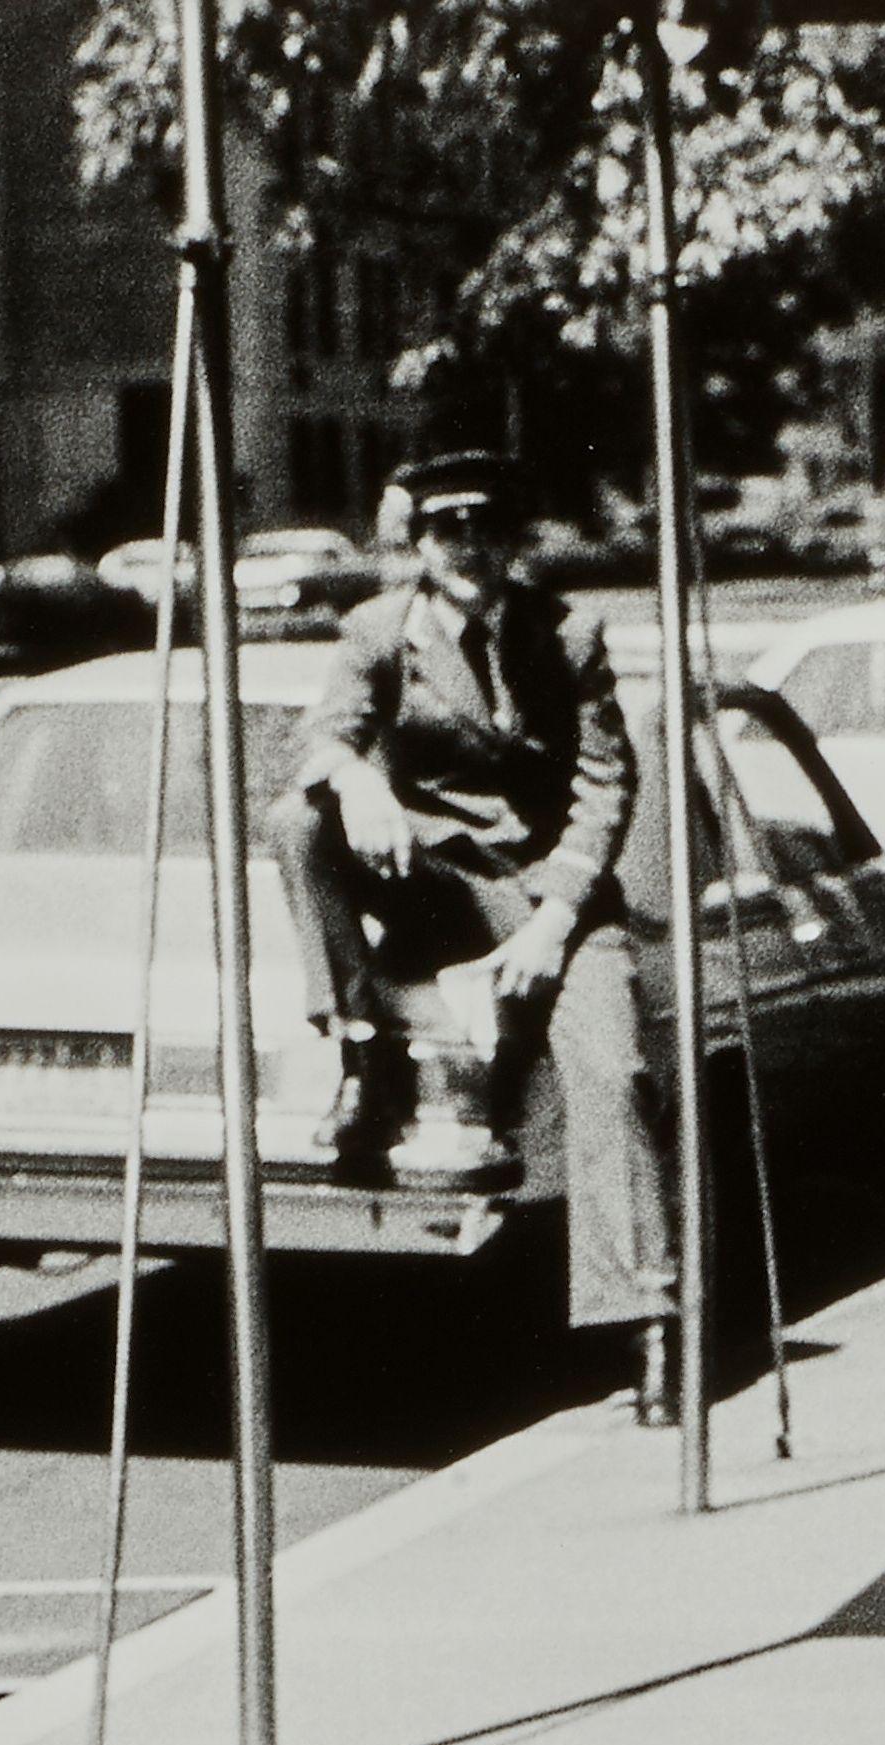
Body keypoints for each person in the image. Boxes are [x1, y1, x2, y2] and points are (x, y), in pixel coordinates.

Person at [266, 450, 670, 1329]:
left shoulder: (568, 634)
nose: (468, 546)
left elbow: (606, 786)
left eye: (486, 528)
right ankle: (360, 1042)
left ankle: (642, 1320)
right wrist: (356, 778)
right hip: (440, 887)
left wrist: (555, 921)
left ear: (513, 538)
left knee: (617, 1073)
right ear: (419, 541)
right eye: (448, 529)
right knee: (298, 820)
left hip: (548, 899)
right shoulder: (380, 632)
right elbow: (315, 741)